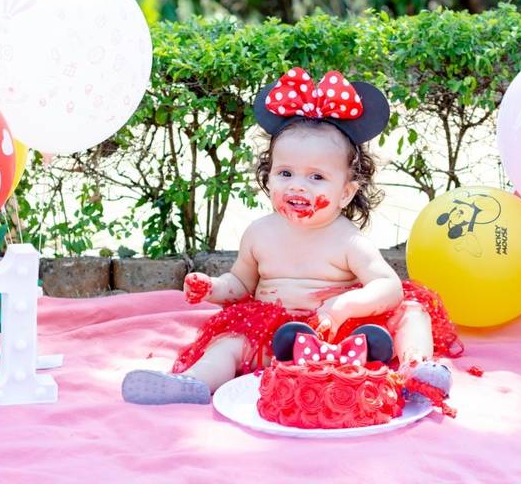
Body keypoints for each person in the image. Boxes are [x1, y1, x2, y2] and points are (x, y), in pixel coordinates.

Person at [122, 68, 461, 405]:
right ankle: (194, 382)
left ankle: (416, 368)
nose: (297, 186)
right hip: (273, 343)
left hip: (339, 337)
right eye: (285, 173)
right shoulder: (259, 233)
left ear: (345, 193)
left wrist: (344, 306)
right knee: (229, 342)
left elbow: (389, 287)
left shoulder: (348, 240)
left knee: (412, 311)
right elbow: (240, 285)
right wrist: (213, 288)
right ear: (268, 177)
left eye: (316, 177)